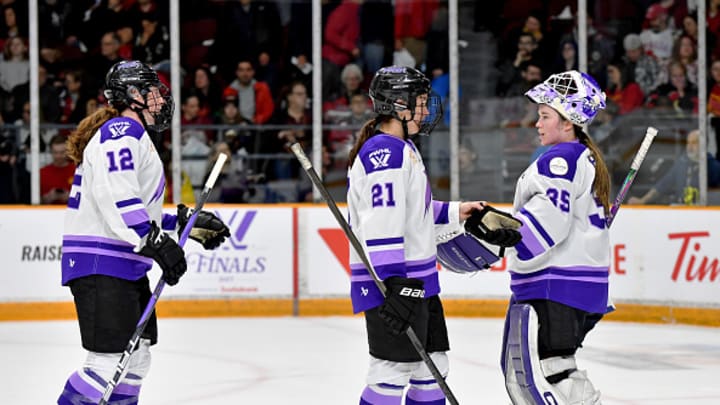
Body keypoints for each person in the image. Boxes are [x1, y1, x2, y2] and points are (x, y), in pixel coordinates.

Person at [57, 60, 230, 405]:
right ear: (133, 94)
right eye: (153, 92)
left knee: (136, 361)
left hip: (119, 263)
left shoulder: (127, 135)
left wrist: (179, 223)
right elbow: (117, 198)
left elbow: (133, 207)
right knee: (105, 365)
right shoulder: (122, 131)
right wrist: (155, 242)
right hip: (102, 264)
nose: (159, 100)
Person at [347, 66, 512, 404]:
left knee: (432, 368)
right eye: (420, 102)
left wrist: (457, 211)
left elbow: (413, 213)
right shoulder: (385, 154)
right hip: (395, 285)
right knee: (391, 372)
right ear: (398, 105)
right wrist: (396, 285)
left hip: (417, 282)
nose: (425, 110)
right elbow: (383, 225)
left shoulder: (402, 148)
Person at [502, 70, 611, 404]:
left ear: (568, 123)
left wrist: (498, 242)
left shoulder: (562, 158)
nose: (538, 123)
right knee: (556, 369)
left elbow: (547, 224)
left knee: (550, 374)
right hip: (576, 286)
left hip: (555, 285)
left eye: (545, 116)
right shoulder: (582, 157)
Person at [628, 130, 720, 205]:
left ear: (703, 145)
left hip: (702, 212)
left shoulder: (713, 166)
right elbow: (663, 184)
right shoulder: (682, 163)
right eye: (688, 143)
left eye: (694, 143)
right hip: (680, 209)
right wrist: (643, 200)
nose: (689, 146)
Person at [40, 134, 76, 205]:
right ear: (51, 152)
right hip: (47, 213)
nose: (58, 156)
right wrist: (48, 198)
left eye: (62, 152)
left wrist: (70, 198)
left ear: (67, 151)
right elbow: (34, 202)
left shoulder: (77, 171)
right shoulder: (42, 173)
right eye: (55, 152)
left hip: (71, 213)